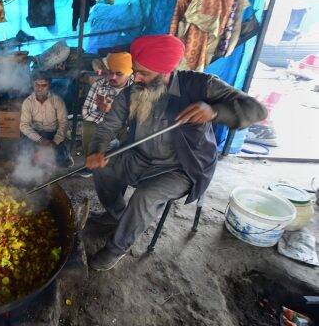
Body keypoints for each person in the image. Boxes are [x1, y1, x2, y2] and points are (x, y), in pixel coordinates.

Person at [86, 35, 267, 271]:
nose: (136, 78)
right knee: (102, 169)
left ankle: (117, 248)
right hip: (139, 156)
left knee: (145, 196)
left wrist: (213, 110)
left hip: (180, 167)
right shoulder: (133, 90)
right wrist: (97, 150)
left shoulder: (200, 85)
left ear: (165, 72)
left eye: (144, 73)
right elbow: (108, 125)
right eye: (135, 71)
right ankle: (116, 214)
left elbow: (257, 110)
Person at [80, 52, 133, 177]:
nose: (112, 77)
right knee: (88, 126)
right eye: (110, 72)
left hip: (126, 128)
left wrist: (111, 111)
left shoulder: (136, 88)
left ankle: (123, 167)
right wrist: (107, 115)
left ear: (129, 73)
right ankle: (92, 161)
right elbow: (86, 113)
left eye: (119, 73)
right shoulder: (99, 85)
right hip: (104, 125)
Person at [19, 73, 73, 168]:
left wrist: (54, 142)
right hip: (36, 133)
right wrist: (40, 140)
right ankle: (39, 159)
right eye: (37, 85)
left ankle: (63, 155)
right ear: (33, 85)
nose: (40, 88)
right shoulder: (27, 102)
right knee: (26, 155)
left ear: (49, 86)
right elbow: (24, 125)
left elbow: (64, 123)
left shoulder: (57, 100)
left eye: (44, 85)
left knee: (61, 160)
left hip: (53, 133)